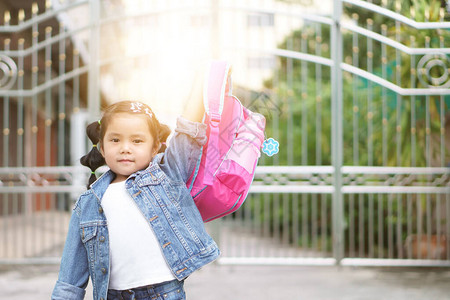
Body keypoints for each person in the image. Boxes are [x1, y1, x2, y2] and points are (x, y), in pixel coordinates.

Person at [52, 74, 219, 300]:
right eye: (115, 140)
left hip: (164, 293)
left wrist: (203, 77)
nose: (125, 148)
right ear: (101, 148)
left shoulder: (166, 175)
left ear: (154, 148)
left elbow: (188, 130)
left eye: (137, 141)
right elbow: (70, 278)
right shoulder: (89, 203)